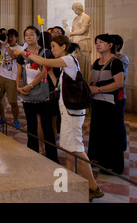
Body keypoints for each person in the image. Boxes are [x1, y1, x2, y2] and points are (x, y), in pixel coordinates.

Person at [13, 35, 104, 201]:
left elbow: (44, 61)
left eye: (54, 46)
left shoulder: (68, 60)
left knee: (76, 149)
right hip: (68, 112)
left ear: (63, 47)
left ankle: (91, 186)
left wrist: (24, 53)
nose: (52, 49)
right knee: (71, 148)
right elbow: (58, 86)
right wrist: (51, 75)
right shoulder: (65, 65)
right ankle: (79, 185)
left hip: (72, 113)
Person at [16, 26, 58, 163]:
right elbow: (19, 72)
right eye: (26, 35)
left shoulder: (45, 52)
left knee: (46, 126)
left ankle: (52, 157)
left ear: (38, 37)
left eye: (32, 34)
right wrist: (18, 86)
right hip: (27, 94)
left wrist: (30, 85)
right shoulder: (22, 53)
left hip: (42, 93)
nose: (28, 37)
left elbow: (44, 71)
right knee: (31, 125)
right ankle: (32, 154)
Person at [88, 34, 125, 175]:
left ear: (110, 45)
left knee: (111, 133)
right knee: (98, 131)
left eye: (101, 42)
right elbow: (93, 81)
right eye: (96, 42)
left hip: (111, 103)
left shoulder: (115, 62)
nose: (98, 45)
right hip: (98, 102)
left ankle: (113, 165)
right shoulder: (97, 61)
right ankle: (98, 159)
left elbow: (118, 83)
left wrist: (97, 89)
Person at [0, 28, 23, 128]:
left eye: (11, 37)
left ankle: (16, 120)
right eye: (8, 36)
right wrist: (1, 33)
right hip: (1, 75)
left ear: (16, 38)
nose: (9, 39)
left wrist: (7, 45)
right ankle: (3, 117)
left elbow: (13, 56)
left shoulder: (20, 48)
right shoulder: (5, 46)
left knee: (13, 102)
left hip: (13, 78)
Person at [111, 34, 129, 151]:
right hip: (105, 95)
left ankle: (120, 147)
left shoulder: (122, 58)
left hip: (118, 94)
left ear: (116, 45)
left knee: (118, 122)